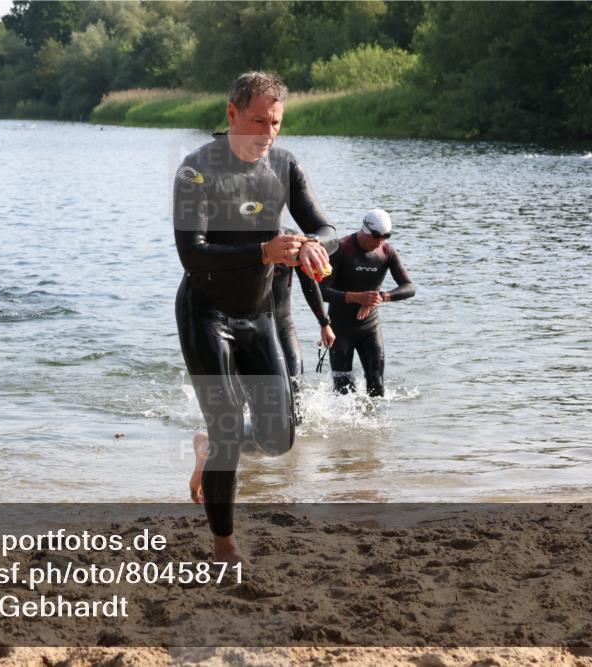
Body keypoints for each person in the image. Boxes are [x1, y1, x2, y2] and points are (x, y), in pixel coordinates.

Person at [175, 72, 337, 566]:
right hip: (206, 312)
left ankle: (207, 447)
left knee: (279, 438)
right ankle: (224, 544)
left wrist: (312, 245)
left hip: (258, 314)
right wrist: (265, 251)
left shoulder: (284, 166)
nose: (269, 133)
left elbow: (327, 227)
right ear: (232, 113)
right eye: (259, 121)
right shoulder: (196, 169)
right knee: (228, 426)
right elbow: (192, 254)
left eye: (276, 123)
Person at [320, 208, 415, 397]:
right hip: (340, 329)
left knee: (377, 387)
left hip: (370, 328)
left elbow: (409, 287)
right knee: (342, 391)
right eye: (377, 237)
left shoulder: (387, 252)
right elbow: (321, 291)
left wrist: (380, 297)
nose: (380, 243)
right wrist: (356, 297)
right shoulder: (341, 249)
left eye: (385, 238)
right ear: (365, 230)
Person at [272, 228, 336, 424]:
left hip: (283, 324)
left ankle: (295, 436)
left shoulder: (292, 240)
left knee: (295, 387)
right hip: (250, 326)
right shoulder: (246, 241)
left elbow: (309, 285)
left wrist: (324, 323)